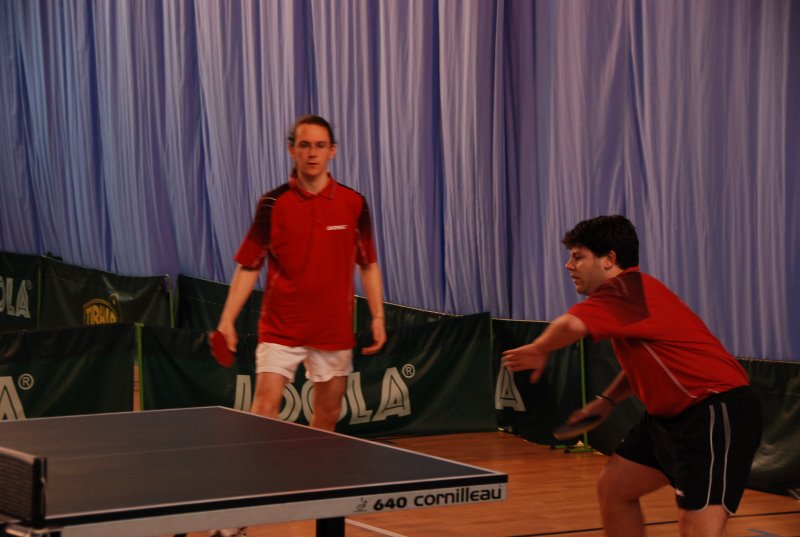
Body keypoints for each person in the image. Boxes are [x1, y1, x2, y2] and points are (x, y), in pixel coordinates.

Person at [501, 215, 761, 537]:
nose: (569, 266)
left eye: (578, 257)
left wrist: (540, 348)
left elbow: (570, 325)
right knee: (615, 488)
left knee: (698, 531)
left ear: (609, 259)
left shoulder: (626, 289)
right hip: (667, 420)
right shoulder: (629, 297)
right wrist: (607, 401)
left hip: (713, 412)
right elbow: (644, 363)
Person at [216, 114, 387, 432]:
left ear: (332, 151)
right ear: (292, 149)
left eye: (320, 146)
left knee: (328, 413)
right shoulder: (272, 203)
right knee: (264, 411)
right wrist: (227, 319)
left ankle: (312, 466)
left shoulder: (354, 203)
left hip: (333, 328)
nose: (312, 153)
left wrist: (377, 317)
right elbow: (249, 265)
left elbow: (368, 264)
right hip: (281, 327)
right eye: (305, 145)